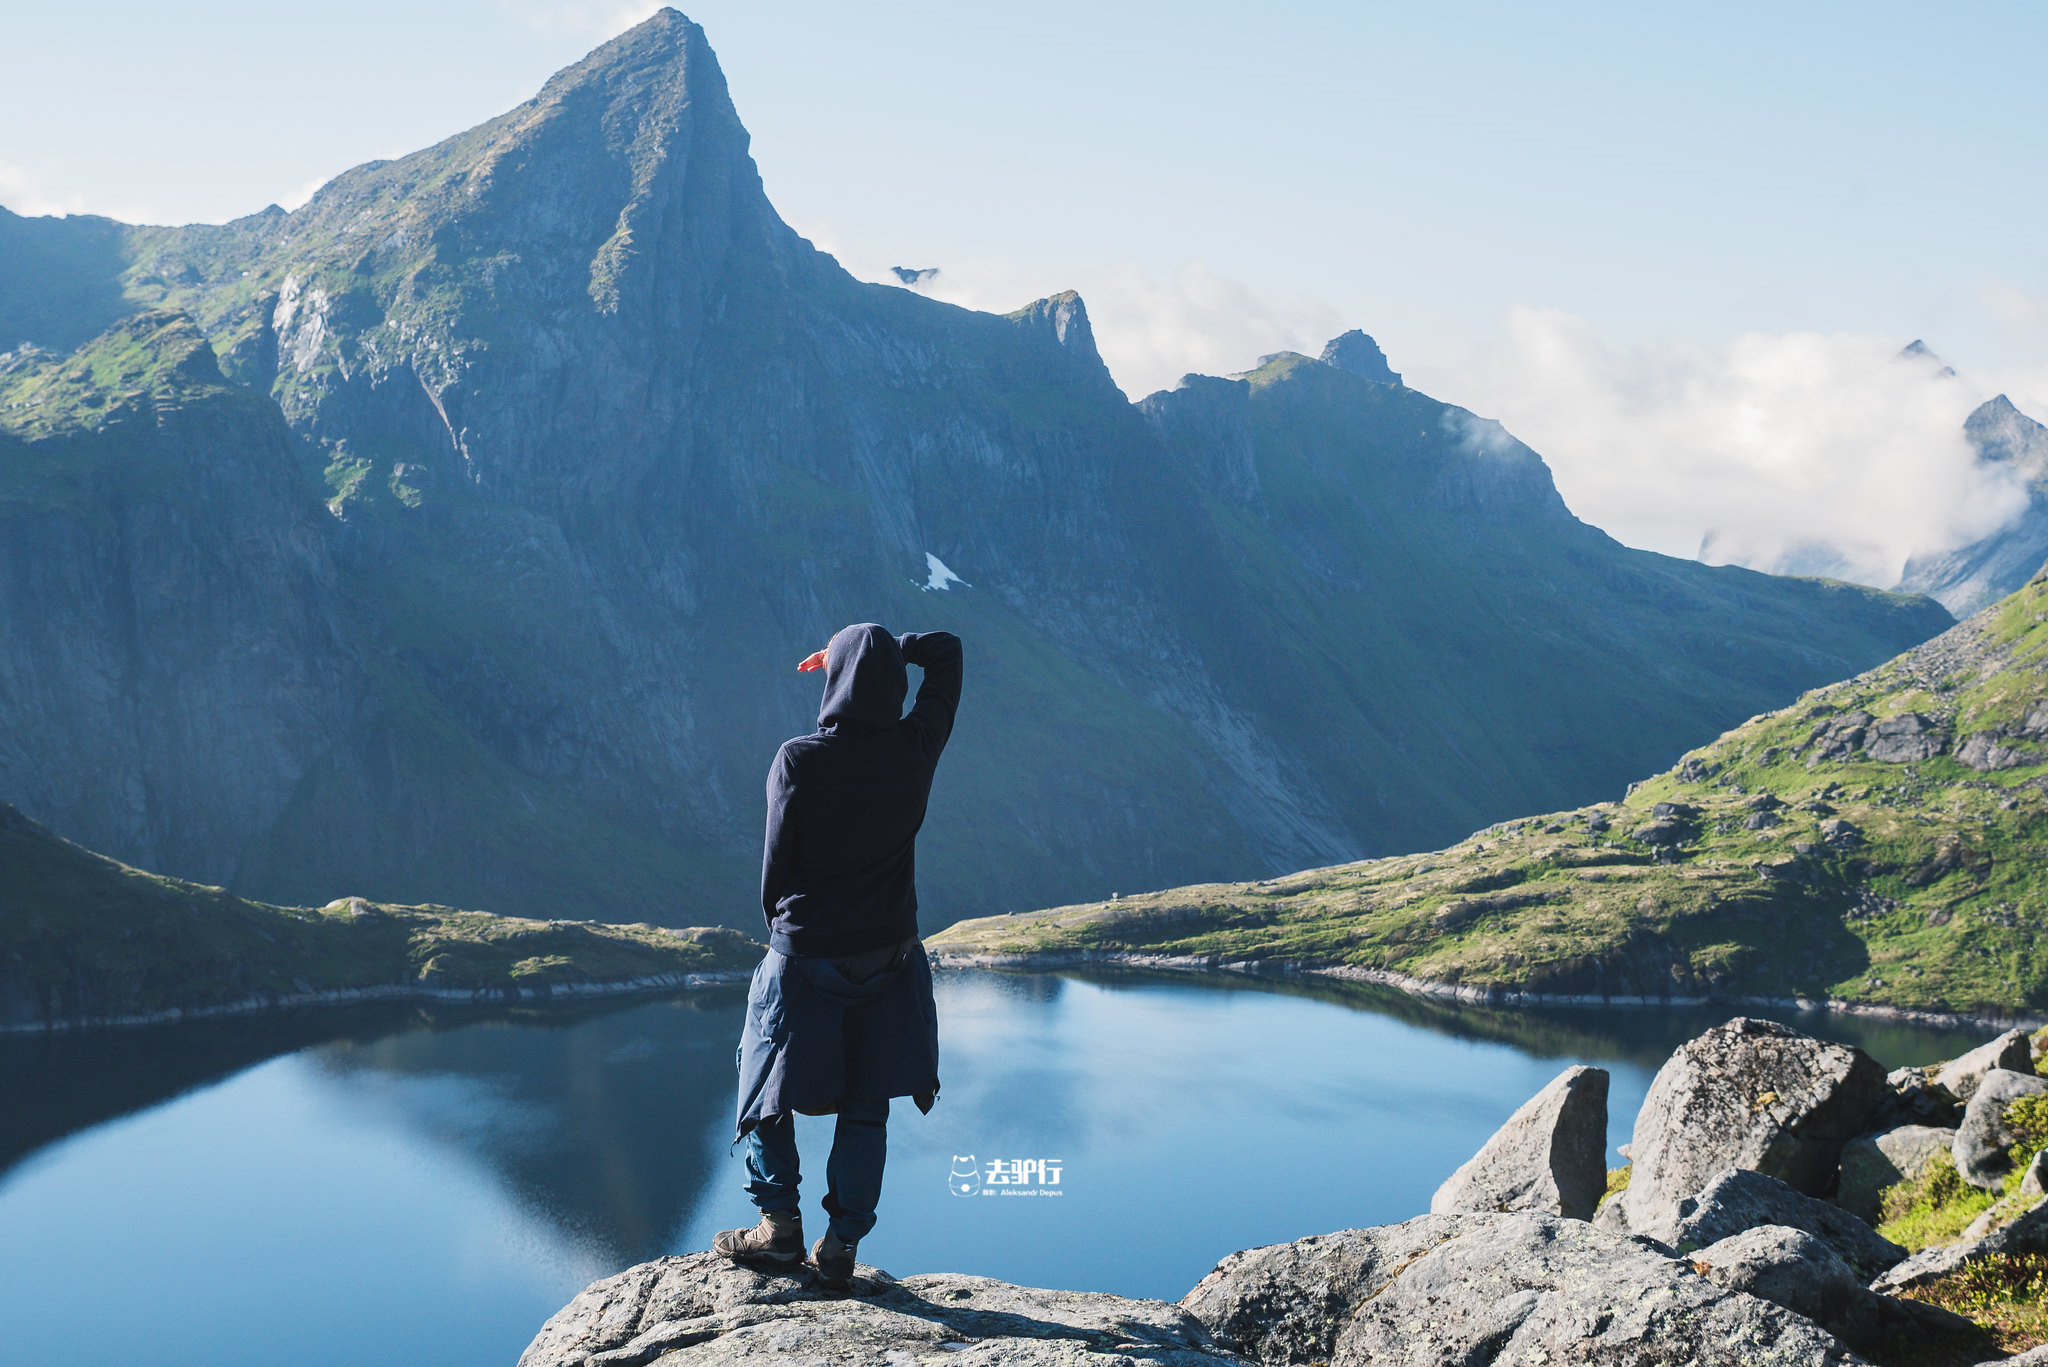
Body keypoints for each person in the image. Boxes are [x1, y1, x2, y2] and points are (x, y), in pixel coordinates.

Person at [714, 622, 963, 1289]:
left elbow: (775, 869)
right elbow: (946, 652)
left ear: (834, 680)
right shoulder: (915, 749)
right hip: (890, 959)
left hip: (807, 953)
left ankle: (778, 1229)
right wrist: (884, 650)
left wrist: (788, 932)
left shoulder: (798, 760)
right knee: (867, 1099)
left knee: (765, 1084)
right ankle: (841, 1245)